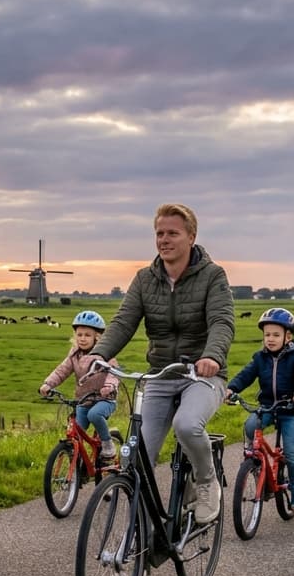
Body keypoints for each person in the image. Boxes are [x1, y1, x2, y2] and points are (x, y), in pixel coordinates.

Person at [91, 203, 235, 525]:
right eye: (159, 233)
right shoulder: (145, 279)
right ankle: (144, 535)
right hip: (159, 374)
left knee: (187, 425)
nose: (164, 240)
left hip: (201, 375)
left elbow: (222, 322)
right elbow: (123, 322)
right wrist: (98, 354)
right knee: (137, 457)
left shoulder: (213, 276)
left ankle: (206, 482)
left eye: (172, 233)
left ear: (191, 237)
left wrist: (212, 356)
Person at [225, 307, 294, 512]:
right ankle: (256, 466)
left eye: (276, 334)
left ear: (288, 336)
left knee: (291, 452)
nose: (271, 339)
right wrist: (231, 388)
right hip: (267, 407)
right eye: (267, 335)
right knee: (250, 426)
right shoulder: (260, 358)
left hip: (290, 409)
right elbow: (245, 376)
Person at [39, 310, 121, 460]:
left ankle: (108, 443)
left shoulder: (105, 354)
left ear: (97, 337)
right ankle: (77, 467)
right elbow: (61, 371)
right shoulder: (74, 355)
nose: (83, 339)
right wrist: (48, 384)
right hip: (84, 400)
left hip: (104, 400)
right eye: (79, 334)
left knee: (94, 414)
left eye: (87, 335)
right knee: (76, 432)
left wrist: (109, 387)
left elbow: (113, 373)